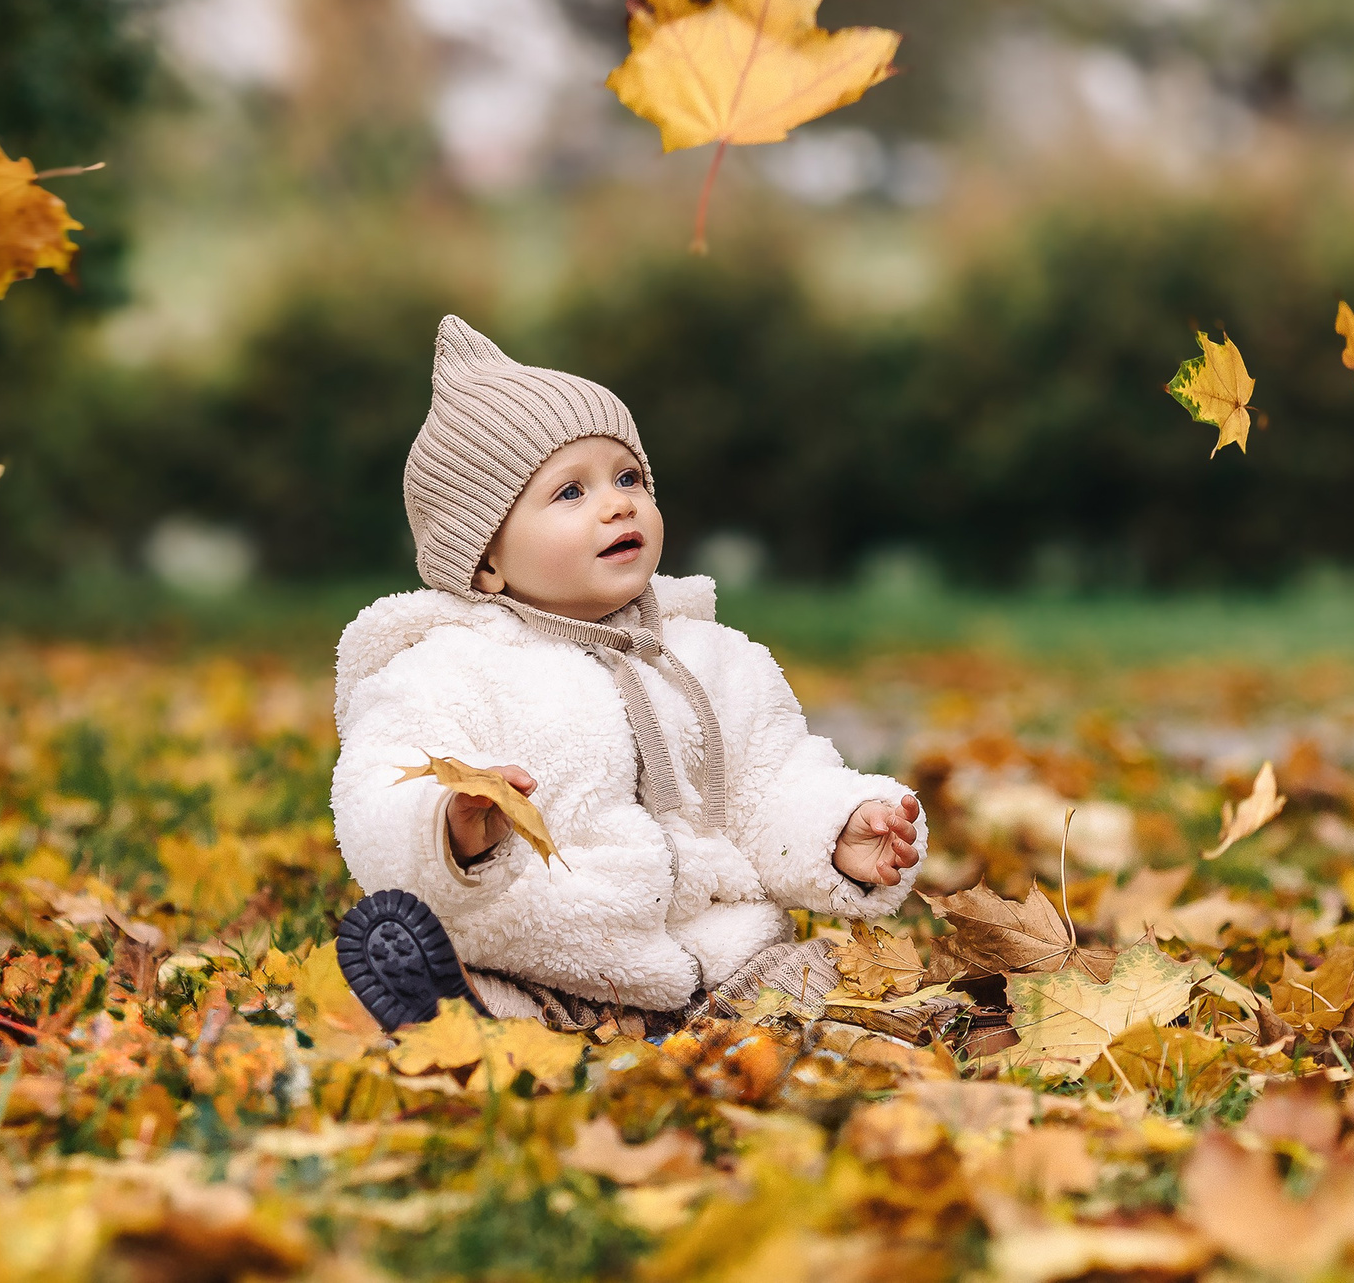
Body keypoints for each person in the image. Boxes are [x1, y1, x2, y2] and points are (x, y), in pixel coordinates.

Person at [328, 316, 926, 1033]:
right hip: (543, 952)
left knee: (815, 981)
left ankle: (735, 1025)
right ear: (483, 559)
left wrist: (839, 829)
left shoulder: (710, 656)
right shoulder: (447, 669)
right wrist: (446, 831)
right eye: (570, 493)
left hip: (717, 955)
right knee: (493, 992)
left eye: (628, 476)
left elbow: (774, 779)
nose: (618, 502)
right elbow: (377, 784)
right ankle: (448, 1006)